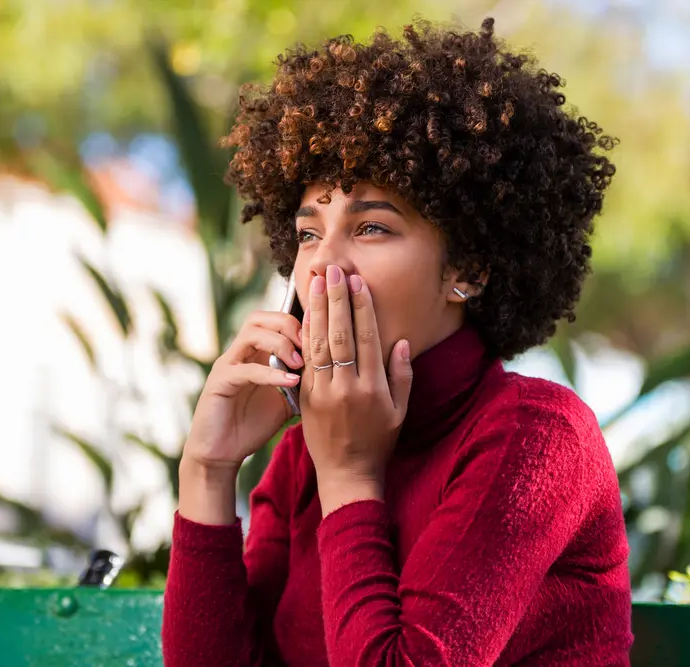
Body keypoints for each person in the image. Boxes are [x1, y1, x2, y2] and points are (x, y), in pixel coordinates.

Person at [162, 16, 632, 667]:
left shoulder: (536, 436)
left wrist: (350, 474)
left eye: (373, 228)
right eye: (307, 232)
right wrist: (208, 469)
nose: (323, 265)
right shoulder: (305, 453)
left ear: (467, 269)